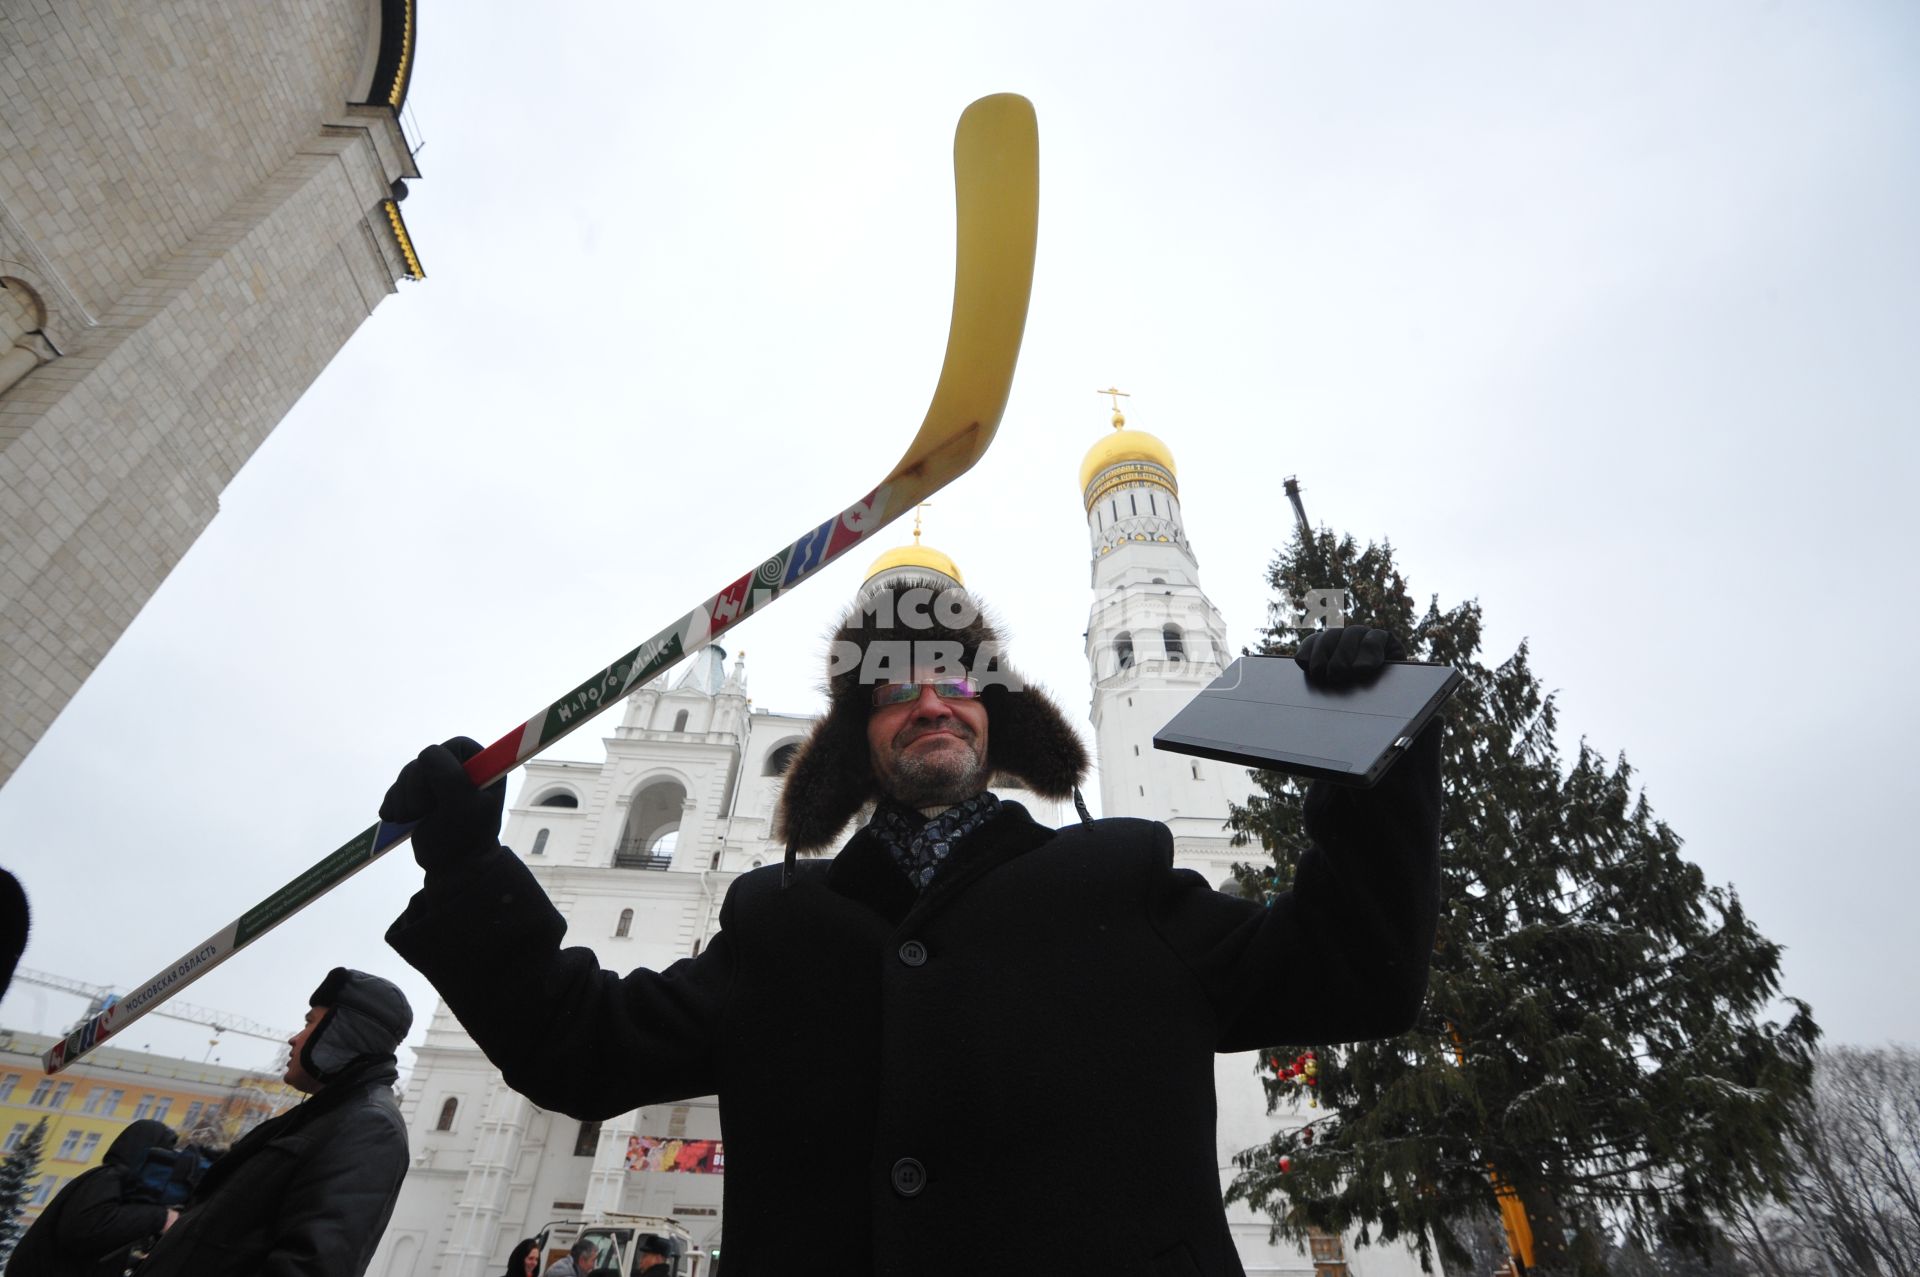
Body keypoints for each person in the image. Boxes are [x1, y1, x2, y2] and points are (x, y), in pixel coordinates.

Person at [384, 581, 1441, 1276]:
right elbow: (582, 1044)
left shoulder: (1119, 877)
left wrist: (1371, 754)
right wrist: (471, 868)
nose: (931, 700)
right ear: (859, 736)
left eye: (958, 679)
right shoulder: (779, 923)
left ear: (995, 715)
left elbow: (1351, 970)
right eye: (895, 689)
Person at [135, 968, 413, 1277]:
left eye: (310, 1022)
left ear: (342, 1033)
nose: (293, 1038)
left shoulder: (369, 1125)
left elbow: (312, 1265)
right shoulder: (323, 1117)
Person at [4, 1120, 177, 1277]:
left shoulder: (118, 1185)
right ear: (147, 1151)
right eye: (165, 1154)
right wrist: (160, 1217)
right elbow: (85, 1228)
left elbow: (96, 1249)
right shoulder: (107, 1177)